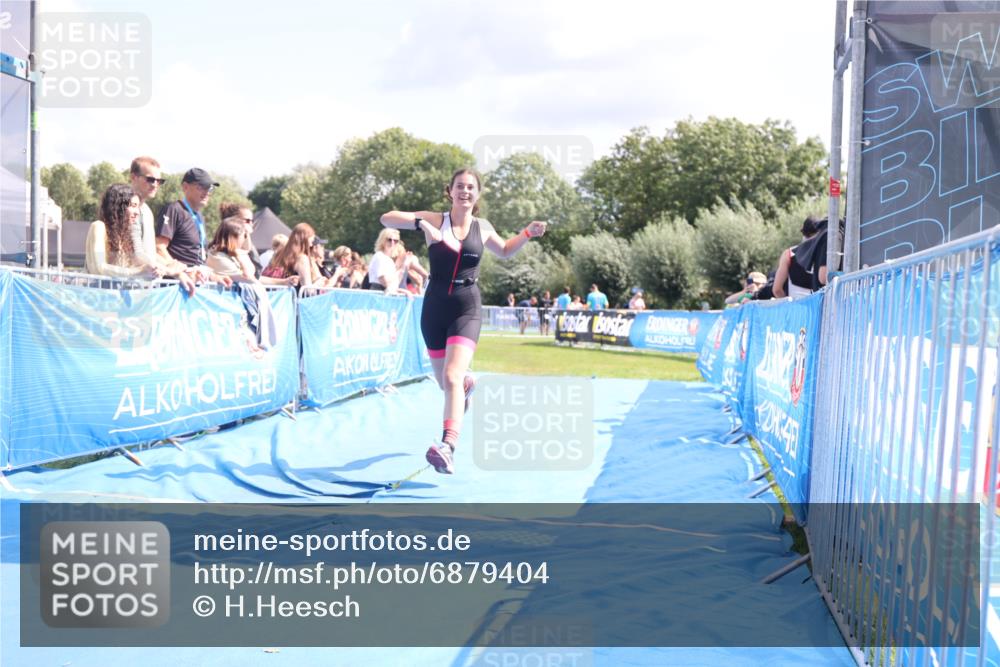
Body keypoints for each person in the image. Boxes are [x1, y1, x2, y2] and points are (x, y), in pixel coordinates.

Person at [380, 167, 547, 474]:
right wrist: (420, 224)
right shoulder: (435, 220)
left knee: (452, 376)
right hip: (434, 307)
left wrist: (526, 233)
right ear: (450, 191)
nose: (465, 191)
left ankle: (448, 446)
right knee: (446, 383)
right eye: (459, 186)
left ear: (477, 194)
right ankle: (466, 386)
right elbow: (386, 218)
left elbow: (505, 251)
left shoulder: (482, 227)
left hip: (466, 307)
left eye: (471, 187)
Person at [86, 184, 162, 280]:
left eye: (138, 207)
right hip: (95, 288)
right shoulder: (99, 227)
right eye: (133, 206)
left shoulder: (125, 234)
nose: (137, 212)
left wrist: (154, 269)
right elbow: (99, 267)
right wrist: (139, 271)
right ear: (118, 206)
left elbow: (129, 268)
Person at [155, 167, 218, 268]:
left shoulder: (200, 217)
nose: (206, 192)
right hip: (178, 276)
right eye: (201, 187)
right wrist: (181, 271)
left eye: (209, 188)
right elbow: (159, 247)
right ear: (185, 187)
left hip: (197, 275)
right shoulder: (174, 210)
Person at [773, 216, 830, 299]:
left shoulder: (789, 254)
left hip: (797, 305)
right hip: (821, 304)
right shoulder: (826, 254)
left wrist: (788, 304)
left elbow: (777, 290)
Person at [128, 156, 164, 267]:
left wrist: (173, 264)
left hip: (144, 276)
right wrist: (170, 270)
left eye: (159, 181)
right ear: (133, 177)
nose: (155, 185)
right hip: (124, 276)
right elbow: (136, 254)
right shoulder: (122, 207)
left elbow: (149, 253)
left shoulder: (147, 211)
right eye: (150, 179)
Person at [262, 222, 317, 287]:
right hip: (292, 293)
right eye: (311, 241)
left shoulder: (279, 253)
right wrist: (319, 284)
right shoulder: (301, 258)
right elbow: (307, 288)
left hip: (273, 292)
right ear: (305, 239)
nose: (311, 245)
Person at [206, 217, 258, 282]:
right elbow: (248, 278)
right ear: (235, 237)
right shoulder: (218, 257)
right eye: (244, 235)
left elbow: (247, 249)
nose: (244, 239)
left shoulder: (226, 253)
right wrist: (241, 257)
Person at [368, 228, 403, 293]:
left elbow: (395, 282)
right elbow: (384, 280)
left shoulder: (389, 260)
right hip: (378, 292)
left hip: (387, 292)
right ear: (383, 240)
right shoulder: (379, 256)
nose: (392, 242)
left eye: (395, 241)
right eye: (389, 240)